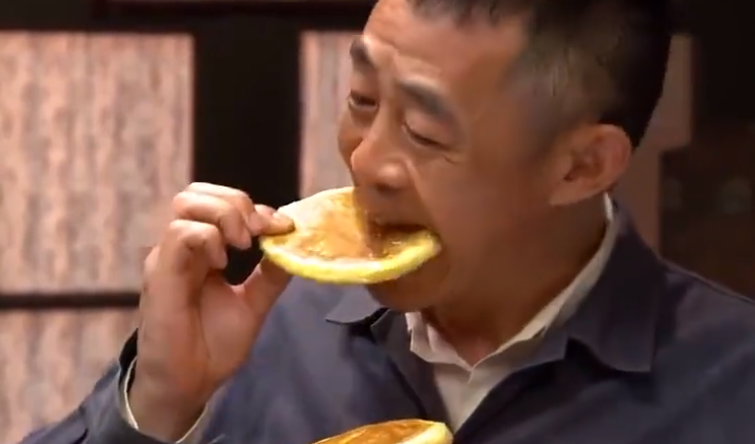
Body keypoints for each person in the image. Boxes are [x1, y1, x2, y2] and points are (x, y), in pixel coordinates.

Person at [17, 0, 755, 442]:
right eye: (362, 100)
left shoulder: (732, 382)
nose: (365, 159)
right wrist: (158, 401)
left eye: (426, 134)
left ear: (582, 166)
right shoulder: (267, 328)